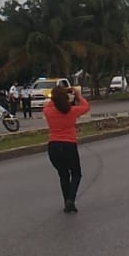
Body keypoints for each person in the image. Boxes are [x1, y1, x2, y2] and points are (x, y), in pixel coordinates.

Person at [44, 84, 91, 213]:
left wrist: (57, 95)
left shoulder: (48, 111)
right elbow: (86, 107)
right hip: (69, 145)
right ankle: (71, 199)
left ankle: (67, 202)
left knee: (63, 175)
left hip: (53, 146)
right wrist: (78, 95)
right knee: (76, 173)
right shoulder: (71, 111)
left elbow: (49, 104)